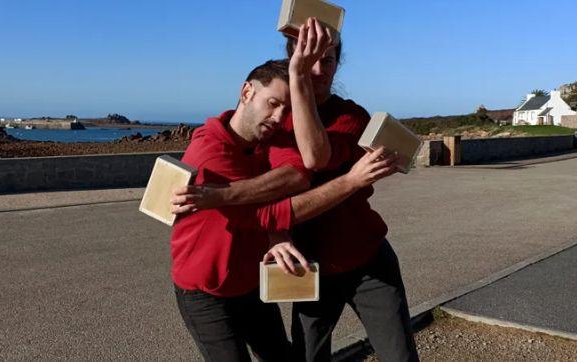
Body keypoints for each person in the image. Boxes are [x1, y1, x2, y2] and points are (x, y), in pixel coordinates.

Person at [174, 18, 418, 361]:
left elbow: (312, 161)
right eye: (308, 58)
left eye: (328, 60)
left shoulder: (348, 116)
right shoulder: (276, 123)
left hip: (366, 258)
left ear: (338, 66)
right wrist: (276, 232)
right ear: (292, 56)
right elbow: (265, 188)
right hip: (309, 264)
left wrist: (299, 75)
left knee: (399, 356)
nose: (318, 69)